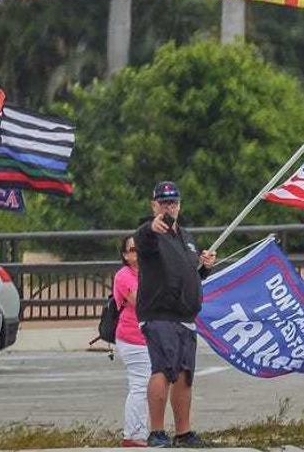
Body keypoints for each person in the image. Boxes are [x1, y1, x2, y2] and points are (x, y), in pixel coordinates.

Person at [134, 182, 216, 448]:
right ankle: (156, 431)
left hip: (185, 314)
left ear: (180, 204)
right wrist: (150, 226)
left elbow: (189, 274)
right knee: (163, 368)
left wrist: (204, 268)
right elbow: (142, 237)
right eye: (164, 202)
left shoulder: (186, 236)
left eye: (173, 202)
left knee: (184, 374)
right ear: (154, 205)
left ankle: (183, 432)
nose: (169, 207)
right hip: (160, 313)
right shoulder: (151, 232)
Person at [114, 235, 149, 447]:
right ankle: (132, 433)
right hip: (133, 338)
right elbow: (141, 300)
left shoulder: (151, 273)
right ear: (126, 255)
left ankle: (142, 431)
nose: (137, 253)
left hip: (151, 337)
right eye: (133, 249)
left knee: (150, 386)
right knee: (140, 385)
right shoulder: (123, 276)